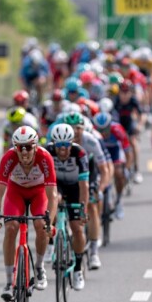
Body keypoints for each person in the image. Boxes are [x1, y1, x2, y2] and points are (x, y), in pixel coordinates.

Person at [0, 126, 58, 302]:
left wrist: (49, 222)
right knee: (11, 228)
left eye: (29, 146)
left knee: (40, 226)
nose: (25, 152)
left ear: (36, 146)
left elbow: (52, 195)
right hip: (16, 193)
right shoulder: (9, 158)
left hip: (38, 193)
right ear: (15, 148)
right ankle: (8, 281)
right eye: (20, 147)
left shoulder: (44, 157)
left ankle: (39, 267)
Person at [62, 111, 110, 270]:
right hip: (67, 175)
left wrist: (101, 188)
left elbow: (104, 169)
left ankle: (94, 252)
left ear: (84, 129)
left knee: (92, 205)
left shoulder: (90, 141)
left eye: (78, 128)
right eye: (72, 128)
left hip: (89, 173)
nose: (75, 132)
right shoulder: (60, 140)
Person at [45, 124, 90, 290]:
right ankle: (51, 241)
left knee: (77, 228)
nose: (62, 150)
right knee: (52, 206)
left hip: (75, 188)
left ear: (71, 143)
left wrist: (83, 208)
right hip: (56, 186)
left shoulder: (80, 153)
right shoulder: (47, 151)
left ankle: (78, 268)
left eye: (66, 145)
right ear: (54, 144)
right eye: (59, 145)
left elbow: (84, 185)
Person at [92, 111, 132, 219]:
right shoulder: (93, 133)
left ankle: (118, 201)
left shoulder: (118, 130)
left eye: (105, 129)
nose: (103, 133)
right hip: (100, 152)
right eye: (100, 130)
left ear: (110, 125)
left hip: (115, 151)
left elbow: (127, 151)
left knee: (119, 173)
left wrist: (127, 168)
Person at [114, 80, 144, 184]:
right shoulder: (116, 101)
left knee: (133, 142)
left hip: (129, 124)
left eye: (127, 92)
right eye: (122, 92)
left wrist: (139, 126)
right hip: (119, 125)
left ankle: (136, 170)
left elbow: (142, 115)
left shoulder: (133, 101)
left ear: (131, 92)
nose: (125, 95)